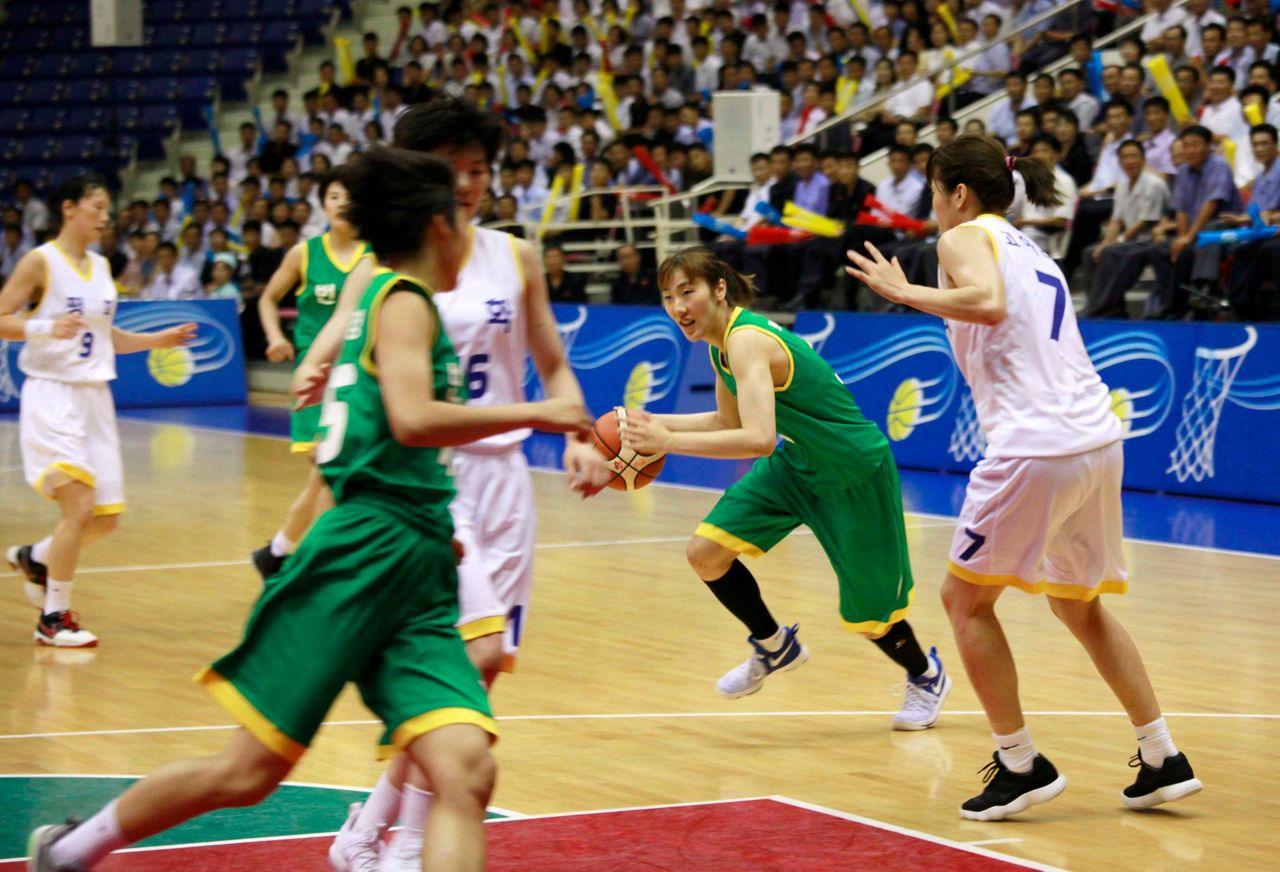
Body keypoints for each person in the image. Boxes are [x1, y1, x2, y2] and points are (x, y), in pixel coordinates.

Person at [24, 148, 592, 872]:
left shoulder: (379, 297)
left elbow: (387, 437)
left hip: (414, 559)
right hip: (358, 557)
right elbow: (415, 418)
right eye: (459, 218)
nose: (468, 235)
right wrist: (547, 411)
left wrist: (428, 514)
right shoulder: (402, 301)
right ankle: (73, 846)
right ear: (435, 227)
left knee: (467, 769)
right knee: (247, 773)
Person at [291, 98, 610, 871]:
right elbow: (348, 320)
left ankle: (370, 828)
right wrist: (319, 358)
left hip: (507, 475)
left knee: (487, 666)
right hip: (432, 476)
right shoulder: (397, 256)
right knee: (476, 652)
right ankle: (402, 841)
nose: (467, 184)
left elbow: (552, 360)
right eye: (452, 171)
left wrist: (579, 436)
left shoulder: (514, 255)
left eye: (479, 170)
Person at [846, 133, 1202, 820]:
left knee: (964, 602)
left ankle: (1021, 763)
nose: (931, 205)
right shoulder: (1031, 248)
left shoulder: (963, 237)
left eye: (932, 190)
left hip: (1036, 446)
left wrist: (901, 289)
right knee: (1077, 603)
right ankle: (1162, 755)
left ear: (958, 193)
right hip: (1096, 438)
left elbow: (985, 303)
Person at [616, 248, 950, 730]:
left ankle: (926, 676)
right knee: (706, 553)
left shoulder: (747, 340)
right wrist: (650, 421)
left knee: (872, 615)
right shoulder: (721, 344)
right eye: (669, 297)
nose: (678, 307)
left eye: (688, 292)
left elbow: (757, 438)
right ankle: (774, 645)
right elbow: (727, 421)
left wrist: (668, 441)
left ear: (720, 289)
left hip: (851, 469)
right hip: (798, 464)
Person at [1, 176, 195, 648]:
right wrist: (46, 325)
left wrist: (156, 340)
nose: (106, 216)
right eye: (97, 206)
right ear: (69, 208)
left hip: (95, 397)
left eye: (108, 208)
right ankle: (54, 618)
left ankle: (36, 557)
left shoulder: (103, 266)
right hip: (53, 393)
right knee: (80, 505)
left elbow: (105, 337)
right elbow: (2, 317)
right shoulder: (39, 260)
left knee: (105, 519)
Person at [253, 170, 372, 579]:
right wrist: (273, 336)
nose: (342, 202)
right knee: (328, 472)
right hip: (316, 375)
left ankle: (281, 552)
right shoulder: (304, 254)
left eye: (349, 195)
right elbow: (267, 299)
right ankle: (305, 559)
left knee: (331, 474)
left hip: (359, 374)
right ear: (324, 203)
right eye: (335, 195)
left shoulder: (376, 254)